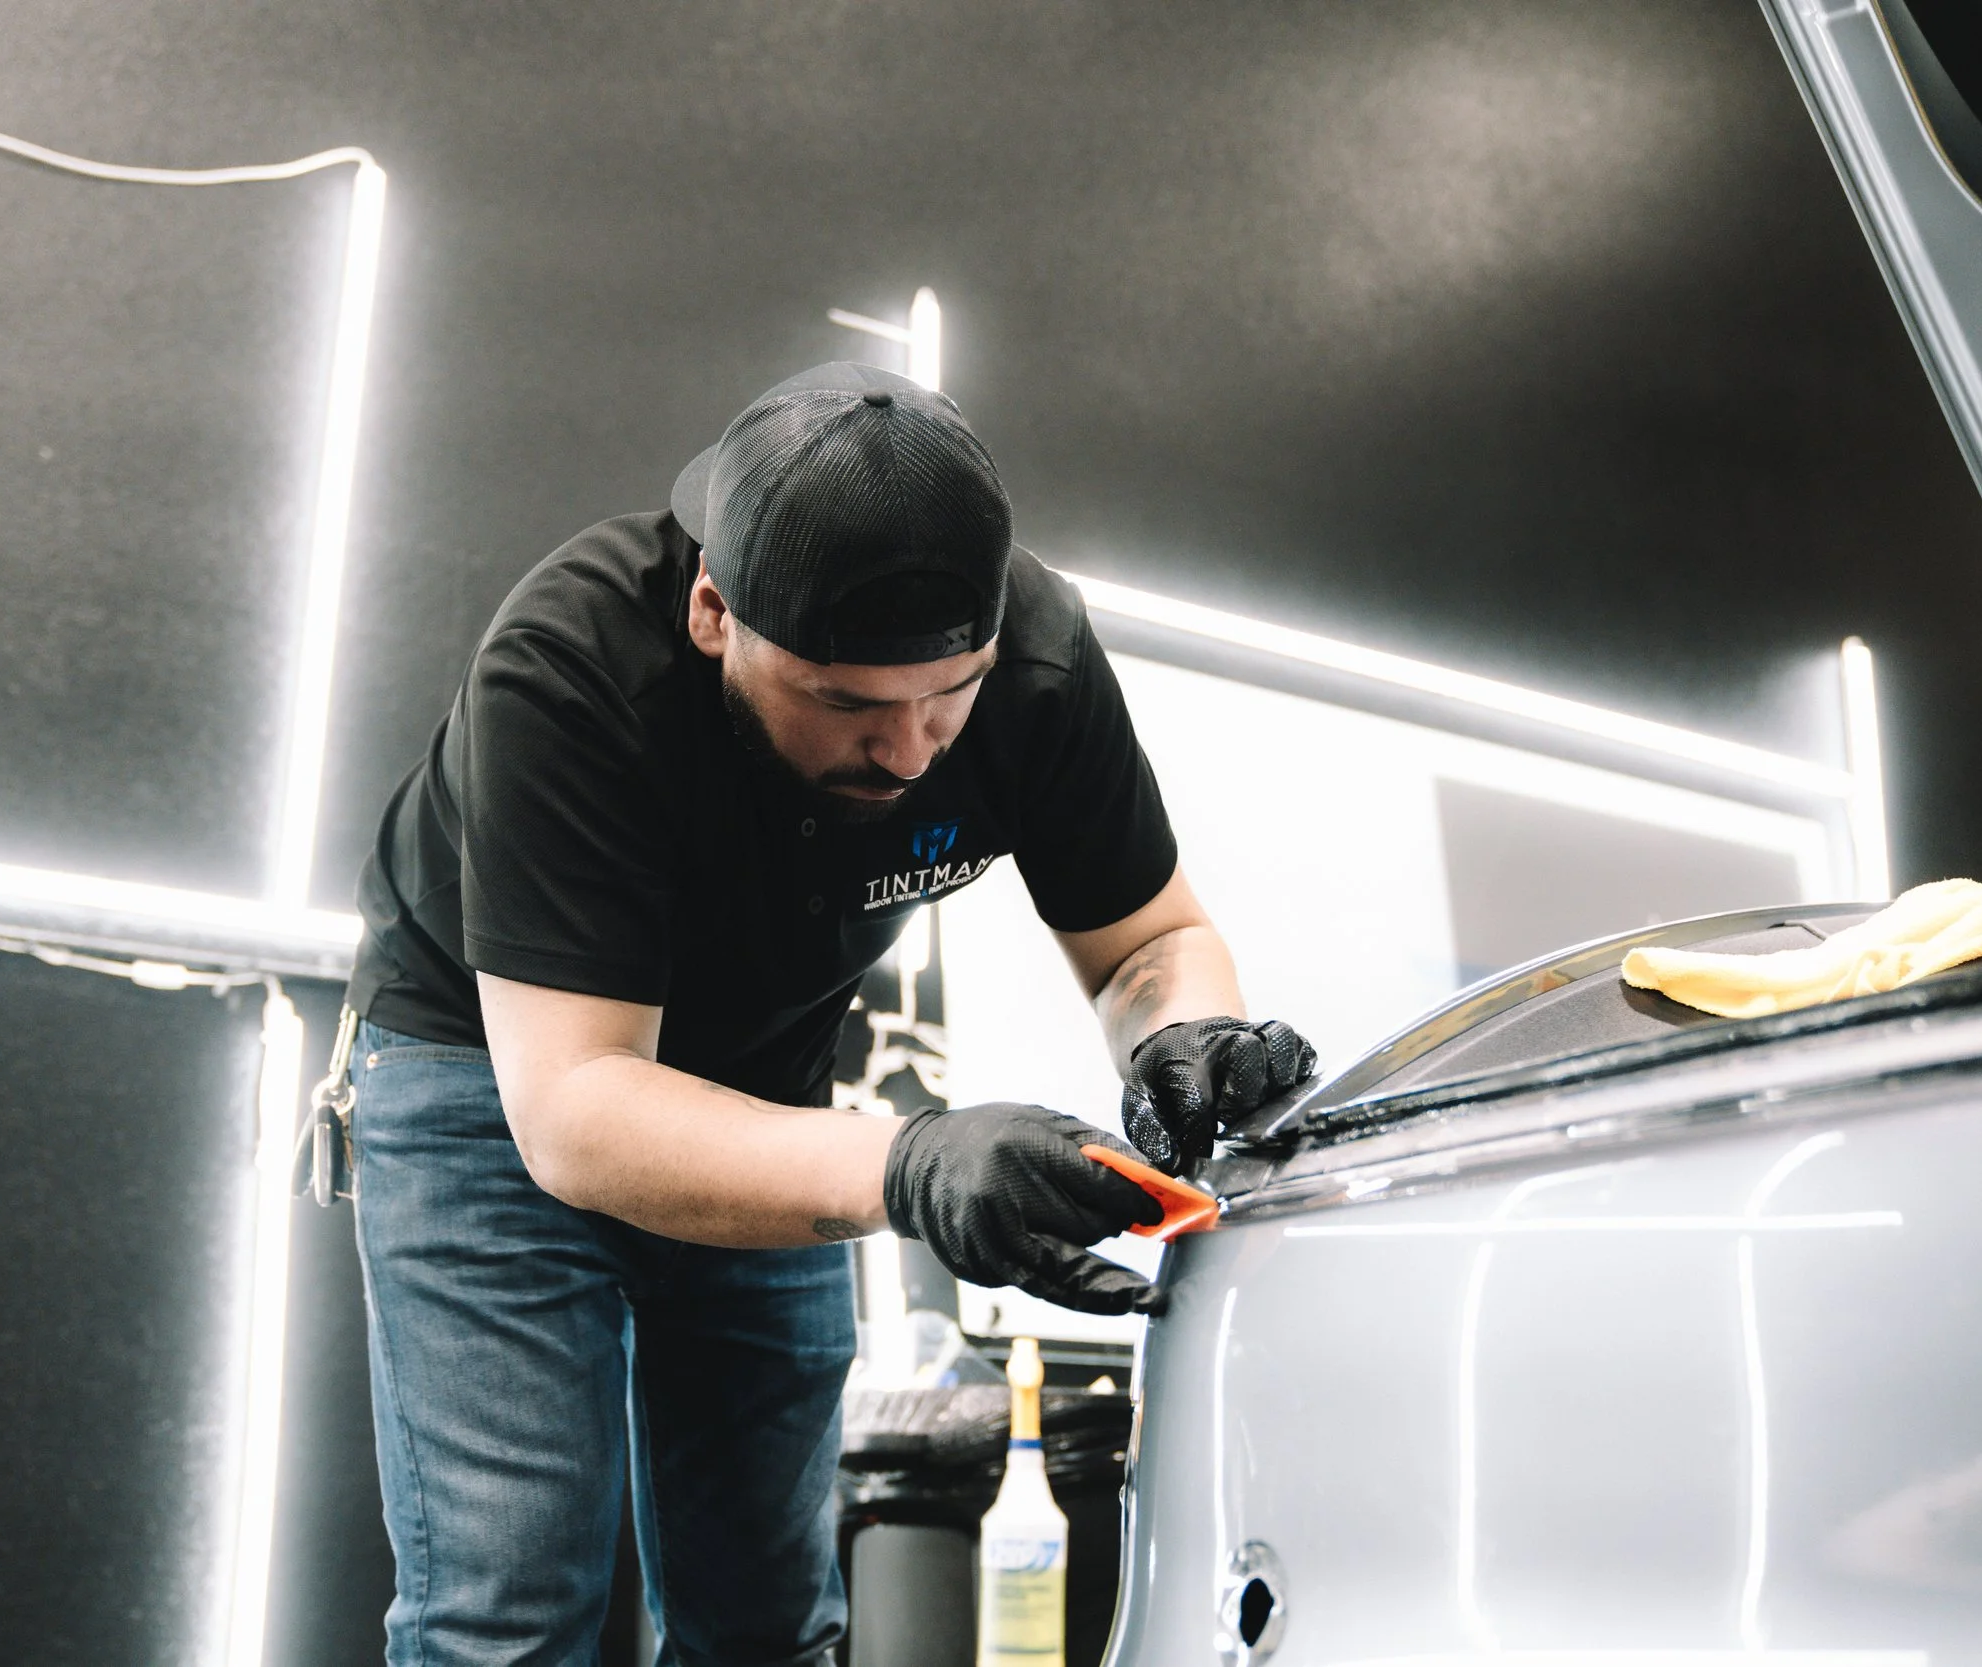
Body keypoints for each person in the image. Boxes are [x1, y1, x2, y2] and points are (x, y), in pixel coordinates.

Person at [340, 361, 1311, 1667]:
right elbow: (576, 1111)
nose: (911, 751)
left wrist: (1182, 1036)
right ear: (709, 612)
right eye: (850, 705)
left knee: (768, 1620)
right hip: (492, 1075)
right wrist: (907, 1160)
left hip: (764, 1088)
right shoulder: (567, 671)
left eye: (946, 697)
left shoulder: (1038, 666)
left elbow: (1152, 940)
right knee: (507, 1613)